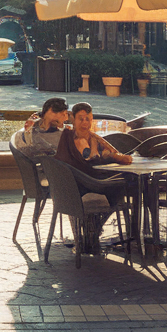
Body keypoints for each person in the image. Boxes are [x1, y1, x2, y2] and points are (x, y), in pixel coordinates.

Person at [54, 102, 133, 250]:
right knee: (122, 185)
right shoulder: (72, 138)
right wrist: (110, 157)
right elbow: (89, 159)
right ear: (73, 119)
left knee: (125, 182)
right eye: (81, 119)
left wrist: (111, 155)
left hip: (89, 178)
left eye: (88, 119)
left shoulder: (93, 138)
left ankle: (94, 229)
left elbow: (112, 152)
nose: (85, 123)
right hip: (81, 182)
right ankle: (95, 229)